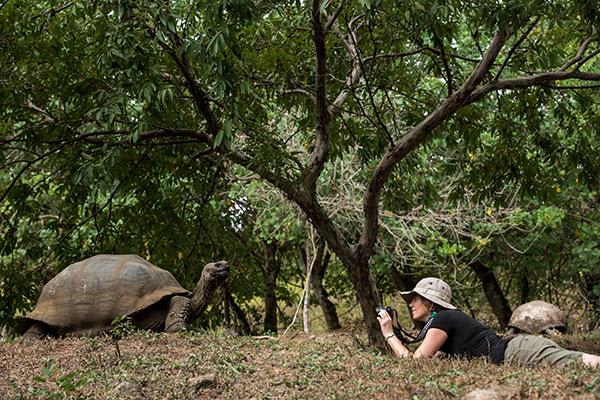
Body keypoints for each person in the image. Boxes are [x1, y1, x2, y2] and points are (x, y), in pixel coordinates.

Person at [377, 277, 600, 368]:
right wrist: (398, 331)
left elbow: (416, 363)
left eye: (415, 298)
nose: (411, 304)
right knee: (575, 361)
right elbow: (433, 361)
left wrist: (389, 334)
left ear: (430, 302)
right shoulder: (444, 321)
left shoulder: (444, 318)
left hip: (519, 351)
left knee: (576, 361)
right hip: (518, 350)